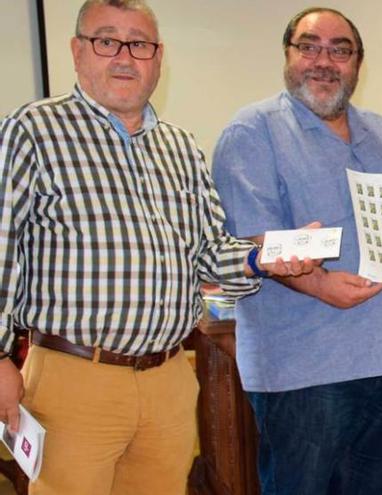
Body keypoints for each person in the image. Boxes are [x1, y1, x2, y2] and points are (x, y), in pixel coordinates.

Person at [0, 1, 310, 494]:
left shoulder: (181, 147)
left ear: (158, 57)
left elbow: (210, 252)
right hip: (74, 377)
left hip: (168, 378)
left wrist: (262, 258)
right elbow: (1, 248)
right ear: (77, 51)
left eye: (139, 44)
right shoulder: (34, 131)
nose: (124, 56)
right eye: (106, 40)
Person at [210, 7, 382, 495]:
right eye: (309, 46)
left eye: (340, 50)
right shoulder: (251, 132)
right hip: (308, 366)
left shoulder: (379, 129)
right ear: (288, 55)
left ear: (358, 63)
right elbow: (252, 241)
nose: (324, 61)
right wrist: (319, 285)